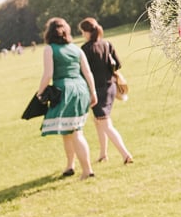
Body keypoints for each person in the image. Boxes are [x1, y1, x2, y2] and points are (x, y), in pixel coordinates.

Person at [38, 17, 97, 180]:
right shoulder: (76, 49)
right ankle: (70, 166)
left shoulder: (49, 49)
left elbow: (48, 74)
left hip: (65, 90)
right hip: (81, 89)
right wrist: (93, 92)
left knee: (75, 131)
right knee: (68, 130)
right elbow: (87, 73)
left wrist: (40, 92)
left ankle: (87, 170)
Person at [78, 18, 133, 165]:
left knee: (105, 124)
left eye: (83, 32)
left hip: (97, 92)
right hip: (110, 87)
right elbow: (117, 65)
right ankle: (103, 154)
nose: (82, 34)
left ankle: (126, 154)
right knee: (99, 122)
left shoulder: (85, 49)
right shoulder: (107, 44)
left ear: (87, 32)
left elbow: (82, 72)